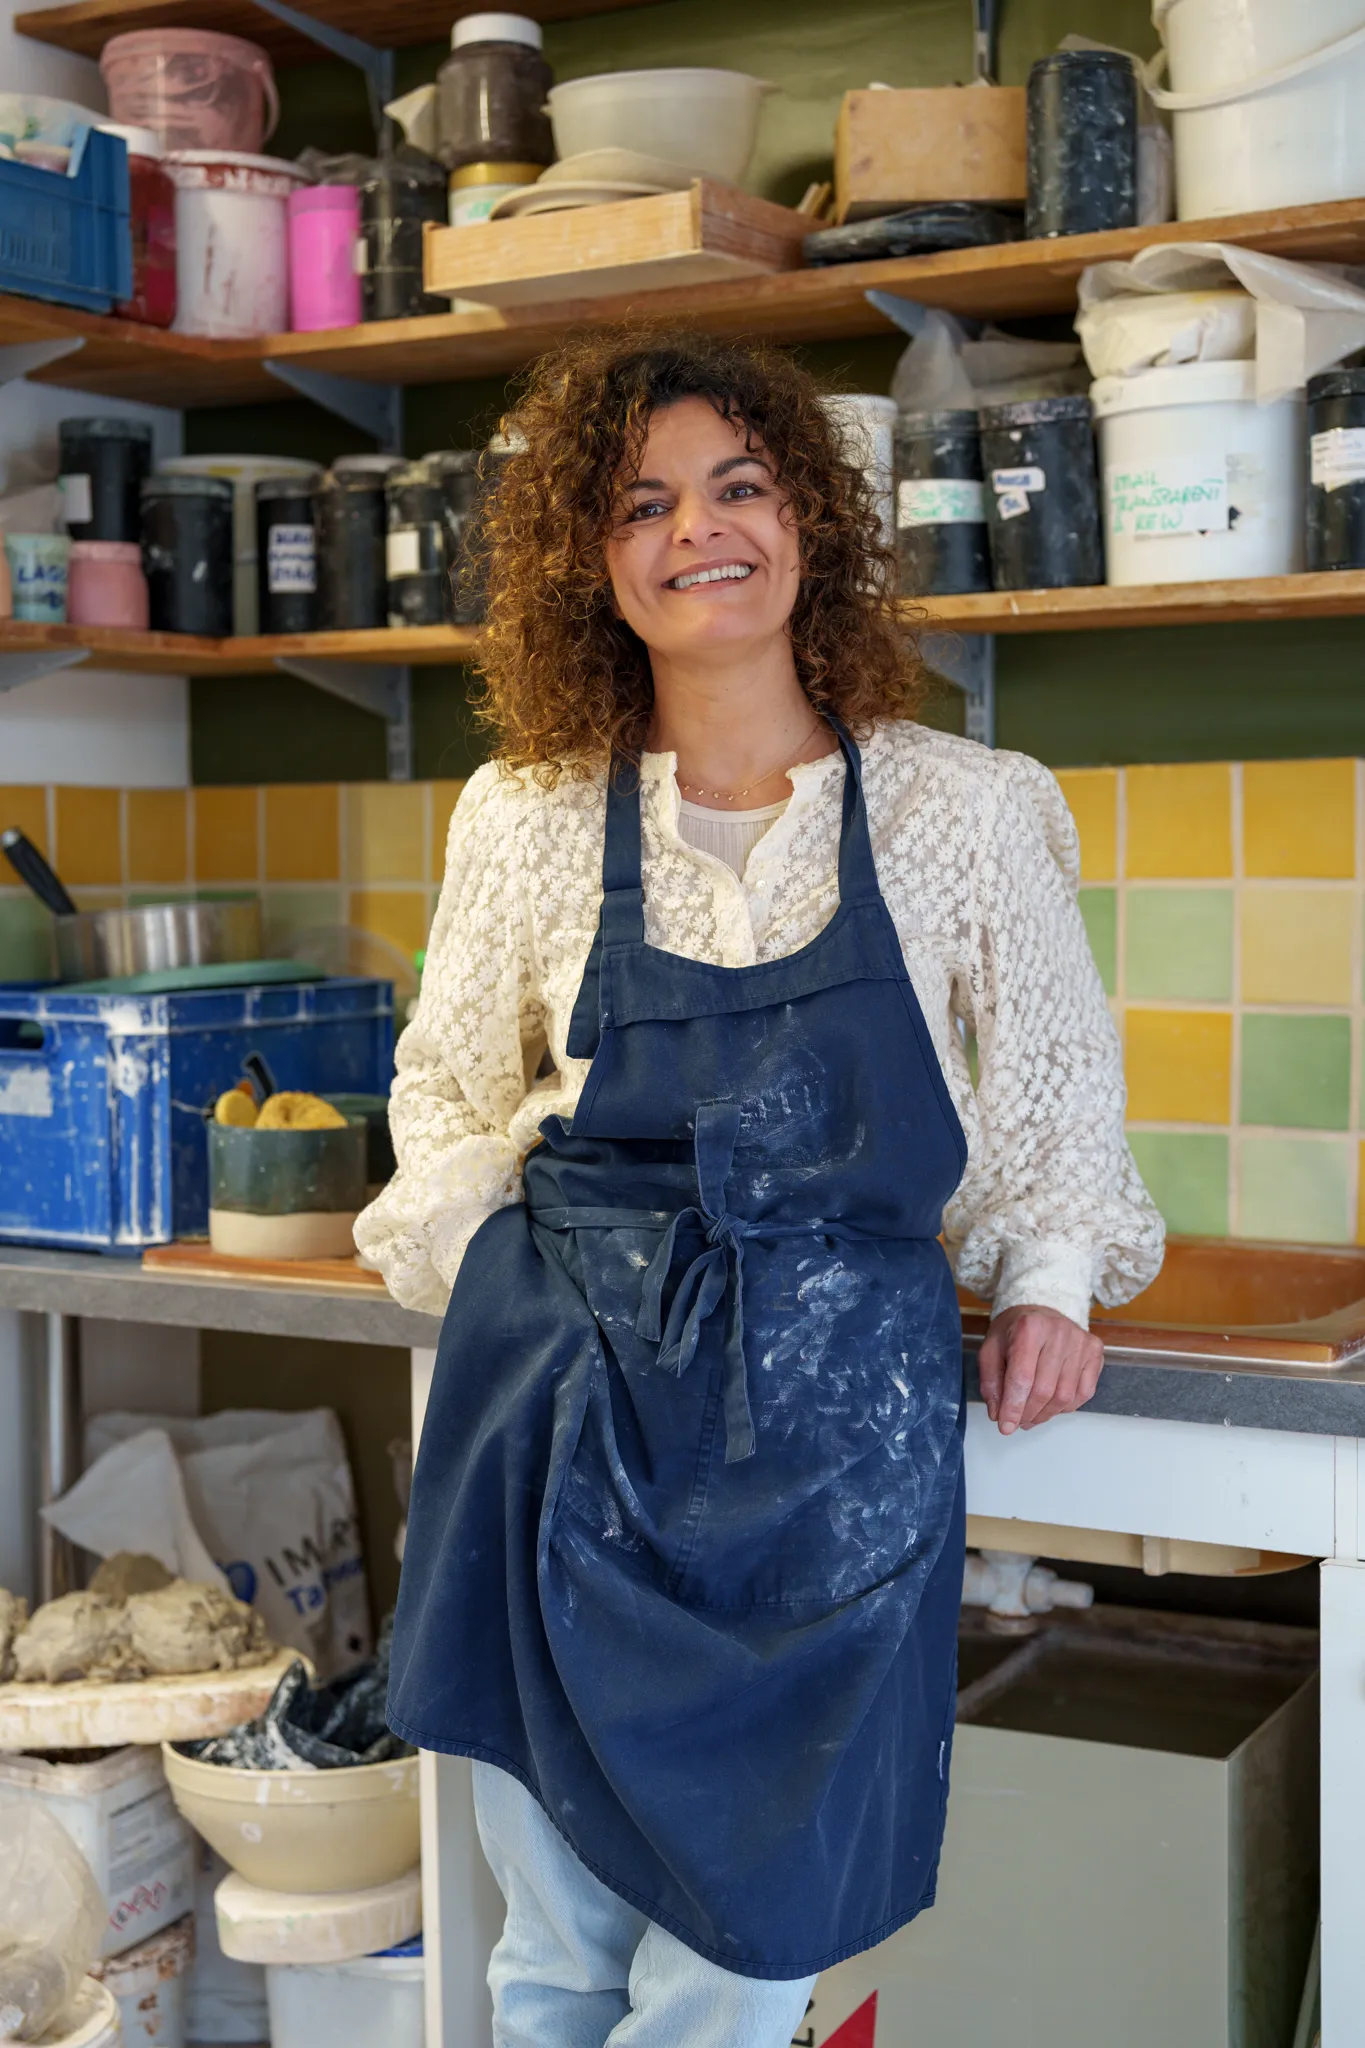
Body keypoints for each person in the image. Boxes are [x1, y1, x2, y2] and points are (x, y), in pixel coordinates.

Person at [358, 331, 1164, 2048]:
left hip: (831, 1451)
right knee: (555, 1954)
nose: (695, 532)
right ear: (595, 560)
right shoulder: (527, 814)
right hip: (559, 1419)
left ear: (808, 517)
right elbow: (442, 1097)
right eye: (640, 503)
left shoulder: (965, 810)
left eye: (737, 485)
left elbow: (1054, 1104)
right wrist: (511, 1267)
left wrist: (1049, 1279)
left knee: (742, 1967)